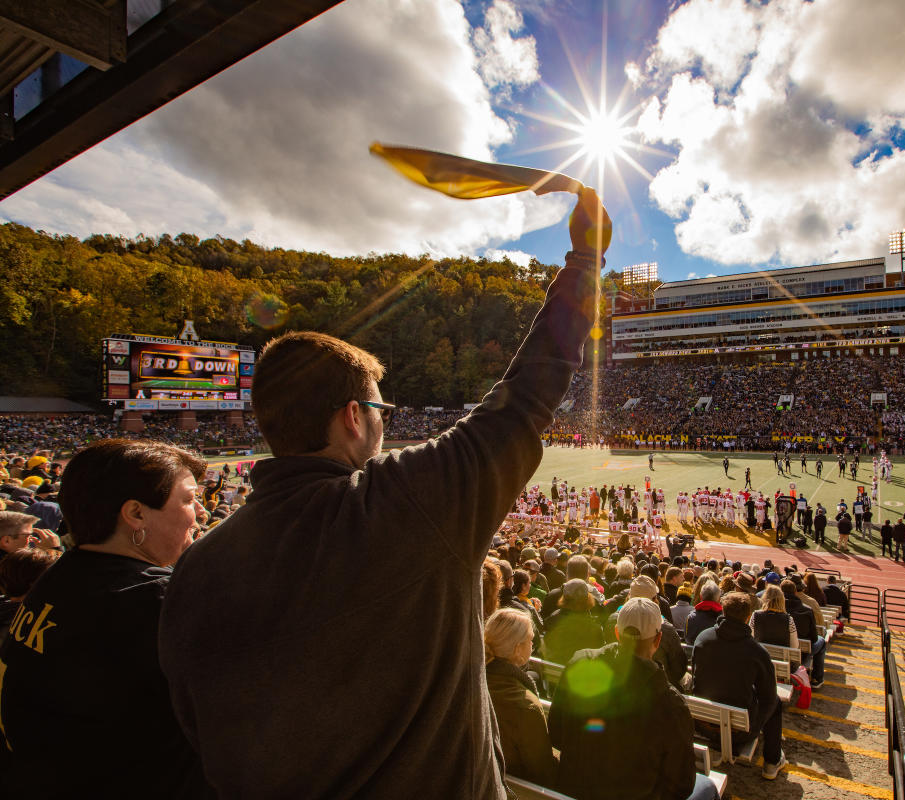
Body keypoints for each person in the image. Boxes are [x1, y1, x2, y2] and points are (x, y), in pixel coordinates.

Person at [158, 189, 612, 799]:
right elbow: (530, 392)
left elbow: (193, 724)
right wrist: (585, 260)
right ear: (352, 416)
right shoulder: (405, 502)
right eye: (380, 407)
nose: (385, 421)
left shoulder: (197, 565)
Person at [0, 439, 209, 798]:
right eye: (188, 499)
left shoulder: (61, 575)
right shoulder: (154, 601)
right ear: (136, 514)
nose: (201, 512)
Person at [549, 597, 717, 800]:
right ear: (657, 640)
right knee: (708, 786)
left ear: (617, 633)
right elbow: (681, 784)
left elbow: (557, 734)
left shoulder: (580, 663)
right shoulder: (670, 703)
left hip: (574, 790)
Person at [692, 592, 788, 781]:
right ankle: (772, 761)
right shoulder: (757, 652)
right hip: (740, 732)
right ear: (748, 616)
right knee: (776, 702)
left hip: (702, 723)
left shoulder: (703, 639)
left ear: (723, 611)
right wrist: (755, 724)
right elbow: (768, 698)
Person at [484, 608, 556, 787]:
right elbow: (542, 769)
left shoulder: (473, 680)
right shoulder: (526, 706)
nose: (533, 645)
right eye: (531, 640)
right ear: (517, 649)